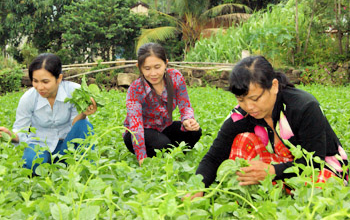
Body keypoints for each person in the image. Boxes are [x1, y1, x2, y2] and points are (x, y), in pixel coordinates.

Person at [190, 55, 348, 198]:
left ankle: (284, 191)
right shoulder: (241, 115)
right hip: (279, 164)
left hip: (320, 167)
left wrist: (272, 171)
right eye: (241, 100)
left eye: (255, 98)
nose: (249, 106)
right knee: (242, 140)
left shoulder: (304, 107)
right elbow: (214, 157)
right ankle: (269, 192)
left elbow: (313, 163)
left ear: (274, 86)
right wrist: (198, 187)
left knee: (320, 184)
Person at [0, 53, 96, 173]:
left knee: (84, 125)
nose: (39, 87)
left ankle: (87, 169)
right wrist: (10, 136)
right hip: (39, 145)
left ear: (59, 78)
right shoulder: (29, 98)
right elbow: (21, 129)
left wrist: (84, 113)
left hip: (67, 146)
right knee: (31, 163)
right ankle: (55, 166)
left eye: (45, 82)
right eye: (35, 81)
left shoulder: (74, 91)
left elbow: (76, 126)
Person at [123, 42, 202, 166]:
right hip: (140, 132)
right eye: (147, 68)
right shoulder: (136, 89)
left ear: (166, 63)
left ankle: (168, 153)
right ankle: (162, 152)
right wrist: (141, 157)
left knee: (194, 132)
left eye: (157, 67)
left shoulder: (175, 77)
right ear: (140, 67)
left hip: (163, 128)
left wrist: (187, 119)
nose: (153, 73)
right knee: (162, 145)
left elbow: (185, 105)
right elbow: (136, 127)